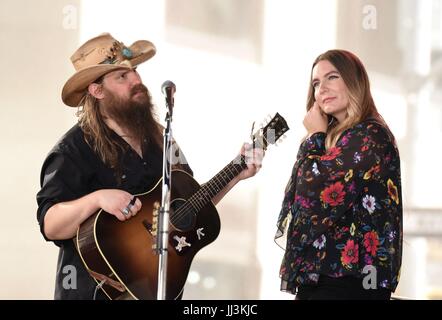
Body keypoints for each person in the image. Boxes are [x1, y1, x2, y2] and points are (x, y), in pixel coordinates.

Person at [36, 33, 263, 300]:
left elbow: (188, 205)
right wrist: (98, 199)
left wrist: (235, 176)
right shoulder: (73, 150)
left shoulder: (160, 137)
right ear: (97, 90)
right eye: (122, 77)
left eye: (134, 72)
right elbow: (50, 223)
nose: (136, 81)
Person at [275, 49, 402, 300]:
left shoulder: (370, 135)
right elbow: (303, 195)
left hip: (351, 282)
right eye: (316, 83)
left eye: (332, 77)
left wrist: (314, 137)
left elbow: (312, 194)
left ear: (354, 81)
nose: (321, 88)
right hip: (323, 276)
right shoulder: (336, 141)